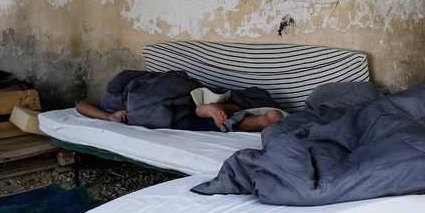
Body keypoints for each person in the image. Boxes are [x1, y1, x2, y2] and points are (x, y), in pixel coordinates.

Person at [77, 69, 286, 133]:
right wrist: (110, 116)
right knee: (198, 111)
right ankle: (215, 107)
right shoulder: (110, 103)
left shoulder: (110, 97)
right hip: (176, 99)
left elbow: (81, 105)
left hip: (160, 95)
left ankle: (257, 121)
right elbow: (81, 106)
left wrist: (109, 116)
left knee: (194, 118)